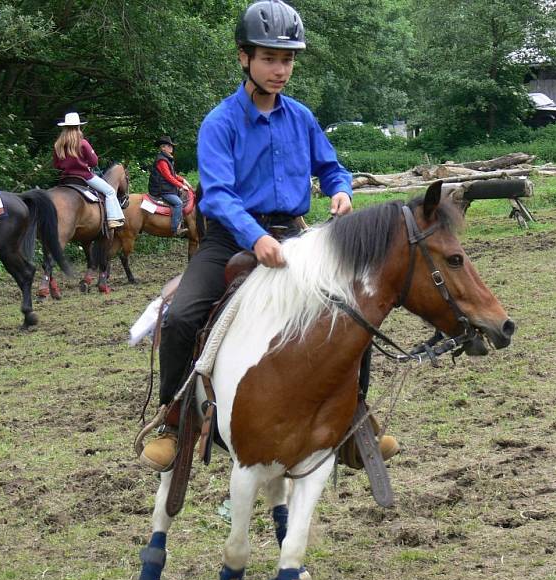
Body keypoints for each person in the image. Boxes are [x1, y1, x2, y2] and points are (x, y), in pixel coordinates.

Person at [141, 0, 398, 471]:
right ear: (244, 58)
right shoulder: (220, 123)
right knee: (181, 317)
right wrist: (255, 237)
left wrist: (341, 192)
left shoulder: (300, 117)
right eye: (269, 58)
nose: (281, 69)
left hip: (296, 236)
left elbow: (332, 167)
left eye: (287, 59)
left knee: (356, 312)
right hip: (229, 240)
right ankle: (174, 422)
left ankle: (354, 421)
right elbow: (217, 195)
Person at [53, 112, 125, 228]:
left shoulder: (58, 145)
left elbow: (56, 165)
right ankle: (113, 219)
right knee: (110, 191)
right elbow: (94, 162)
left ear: (65, 128)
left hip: (65, 179)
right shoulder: (83, 143)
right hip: (84, 177)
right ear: (78, 127)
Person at [148, 136, 191, 235]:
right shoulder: (162, 161)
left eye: (171, 145)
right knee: (178, 203)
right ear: (163, 148)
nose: (171, 147)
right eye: (169, 145)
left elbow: (173, 175)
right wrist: (181, 185)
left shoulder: (167, 159)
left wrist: (183, 180)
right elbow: (168, 177)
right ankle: (175, 228)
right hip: (162, 190)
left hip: (167, 188)